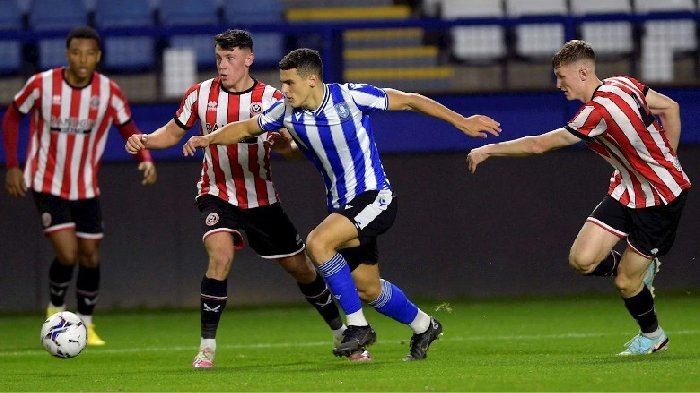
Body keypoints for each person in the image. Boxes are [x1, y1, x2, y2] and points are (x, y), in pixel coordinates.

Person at [182, 48, 501, 360]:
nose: (283, 90)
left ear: (311, 80)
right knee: (368, 288)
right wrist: (206, 139)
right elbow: (245, 128)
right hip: (344, 207)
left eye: (289, 83)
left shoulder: (351, 96)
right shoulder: (286, 113)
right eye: (281, 82)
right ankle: (424, 325)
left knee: (318, 243)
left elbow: (410, 100)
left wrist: (460, 120)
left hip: (375, 197)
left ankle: (359, 327)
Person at [125, 30, 350, 368]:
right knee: (220, 255)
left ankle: (341, 332)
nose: (222, 65)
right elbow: (171, 132)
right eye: (218, 58)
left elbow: (293, 150)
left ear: (248, 59)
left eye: (230, 58)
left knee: (302, 269)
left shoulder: (274, 97)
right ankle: (207, 347)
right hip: (215, 192)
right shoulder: (200, 94)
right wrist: (143, 139)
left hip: (261, 199)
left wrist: (285, 145)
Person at [467, 40, 690, 356]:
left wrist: (489, 149)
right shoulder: (622, 82)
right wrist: (667, 156)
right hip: (626, 190)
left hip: (662, 200)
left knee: (626, 283)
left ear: (583, 72)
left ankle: (653, 336)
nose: (558, 84)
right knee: (582, 260)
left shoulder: (596, 113)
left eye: (562, 77)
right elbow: (671, 107)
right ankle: (641, 269)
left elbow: (538, 145)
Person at [1, 26, 157, 346]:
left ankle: (86, 325)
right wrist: (13, 165)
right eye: (76, 52)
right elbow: (13, 116)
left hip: (86, 185)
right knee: (68, 253)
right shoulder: (42, 84)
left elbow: (127, 126)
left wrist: (145, 157)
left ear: (98, 57)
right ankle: (56, 309)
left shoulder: (109, 92)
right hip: (47, 181)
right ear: (67, 54)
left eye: (89, 53)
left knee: (90, 256)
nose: (82, 59)